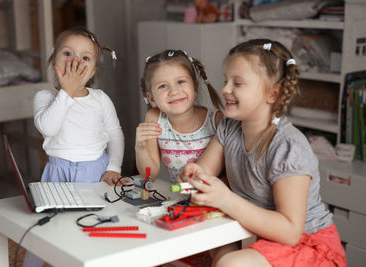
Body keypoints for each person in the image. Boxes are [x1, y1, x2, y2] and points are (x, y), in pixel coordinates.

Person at [180, 39, 347, 266]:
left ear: (272, 94)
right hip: (260, 235)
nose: (225, 89)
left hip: (308, 244)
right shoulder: (229, 128)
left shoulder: (288, 147)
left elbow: (290, 231)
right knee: (203, 246)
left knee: (229, 264)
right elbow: (205, 171)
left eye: (237, 83)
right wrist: (194, 174)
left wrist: (226, 199)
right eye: (226, 80)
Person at [25, 27, 126, 267]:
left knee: (93, 223)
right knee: (47, 227)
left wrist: (114, 167)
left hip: (94, 171)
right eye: (68, 54)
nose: (75, 62)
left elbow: (115, 134)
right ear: (53, 61)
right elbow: (47, 128)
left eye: (85, 58)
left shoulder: (100, 99)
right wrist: (67, 93)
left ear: (92, 71)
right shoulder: (44, 96)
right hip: (57, 173)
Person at [135, 49, 223, 183]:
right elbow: (149, 177)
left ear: (195, 87)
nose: (174, 91)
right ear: (151, 98)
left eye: (181, 82)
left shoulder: (216, 120)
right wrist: (141, 148)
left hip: (213, 197)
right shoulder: (155, 119)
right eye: (163, 86)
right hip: (179, 197)